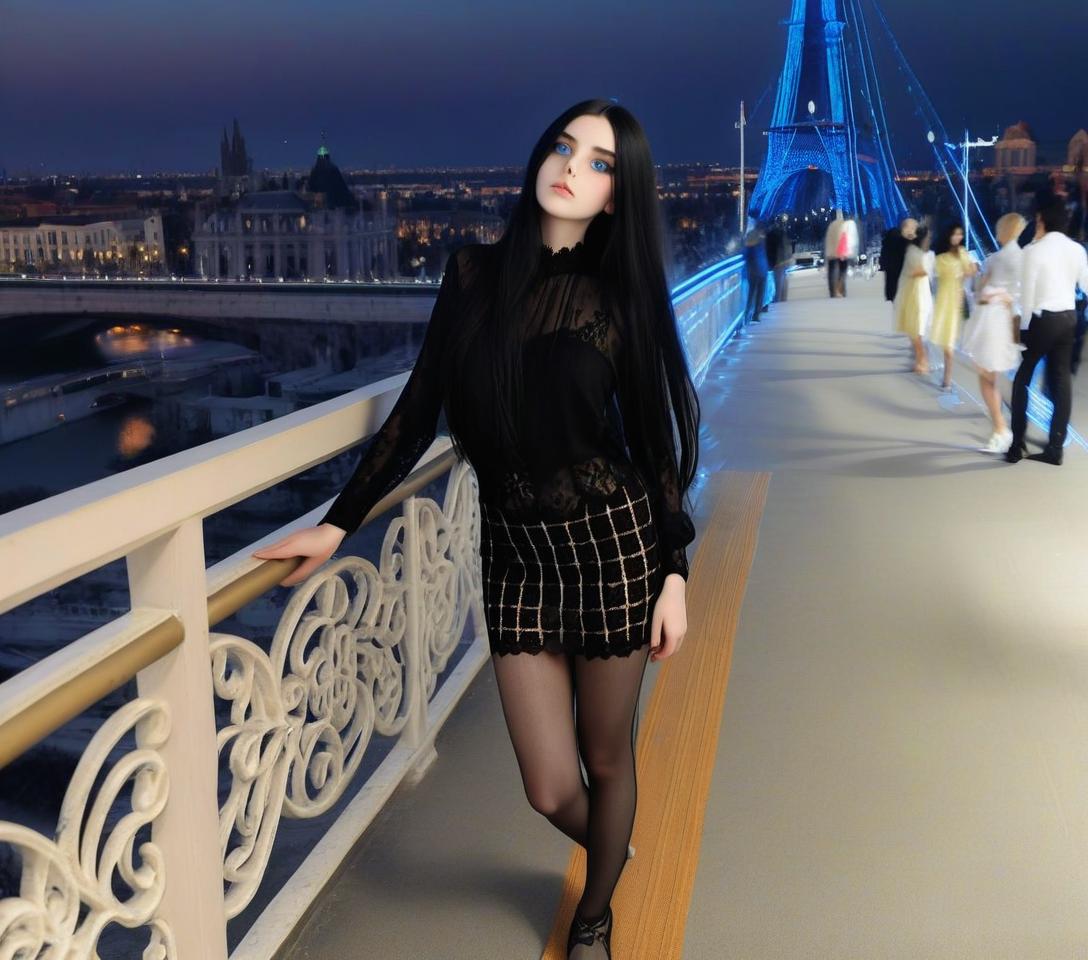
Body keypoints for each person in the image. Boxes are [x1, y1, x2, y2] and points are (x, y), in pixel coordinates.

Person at [251, 100, 699, 957]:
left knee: (608, 763)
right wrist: (337, 524)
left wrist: (674, 570)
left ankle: (594, 917)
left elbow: (658, 441)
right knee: (546, 786)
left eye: (601, 162)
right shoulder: (470, 276)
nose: (572, 166)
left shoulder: (621, 299)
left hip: (613, 548)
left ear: (616, 196)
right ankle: (613, 848)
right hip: (516, 559)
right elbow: (417, 412)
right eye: (565, 146)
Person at [1006, 195, 1088, 465]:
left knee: (1023, 379)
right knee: (1061, 380)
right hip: (1068, 318)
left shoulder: (1034, 251)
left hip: (1042, 319)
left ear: (1041, 218)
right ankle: (1055, 448)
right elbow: (1086, 286)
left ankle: (1017, 444)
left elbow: (1026, 296)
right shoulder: (1076, 249)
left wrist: (1023, 330)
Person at [961, 213, 1026, 452]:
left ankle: (1000, 427)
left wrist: (980, 283)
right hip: (1004, 320)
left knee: (986, 374)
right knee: (993, 373)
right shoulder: (1019, 257)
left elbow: (980, 291)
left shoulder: (998, 258)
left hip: (990, 320)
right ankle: (1000, 423)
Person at [931, 223, 979, 390]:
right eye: (955, 234)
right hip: (946, 300)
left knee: (958, 340)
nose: (958, 237)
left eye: (960, 234)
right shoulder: (941, 257)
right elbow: (940, 274)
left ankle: (948, 377)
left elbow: (971, 270)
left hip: (959, 299)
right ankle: (947, 377)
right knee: (948, 341)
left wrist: (970, 270)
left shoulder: (963, 253)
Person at [894, 224, 934, 374]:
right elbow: (917, 271)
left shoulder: (918, 252)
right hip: (914, 294)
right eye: (928, 237)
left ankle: (921, 360)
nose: (929, 240)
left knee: (916, 329)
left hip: (919, 292)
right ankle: (922, 360)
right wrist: (931, 267)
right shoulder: (913, 252)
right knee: (915, 329)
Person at [880, 217, 918, 304]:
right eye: (913, 228)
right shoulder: (898, 240)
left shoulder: (899, 239)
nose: (914, 231)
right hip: (898, 283)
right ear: (905, 228)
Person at [744, 223, 770, 323]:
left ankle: (747, 314)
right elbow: (764, 253)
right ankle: (756, 315)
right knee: (760, 293)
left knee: (751, 293)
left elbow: (746, 254)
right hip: (762, 269)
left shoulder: (750, 237)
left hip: (753, 270)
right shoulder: (762, 237)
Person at [765, 216, 794, 302]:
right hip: (783, 261)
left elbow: (770, 249)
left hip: (778, 262)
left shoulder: (771, 234)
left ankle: (778, 300)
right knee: (783, 282)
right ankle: (782, 299)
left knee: (778, 283)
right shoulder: (782, 232)